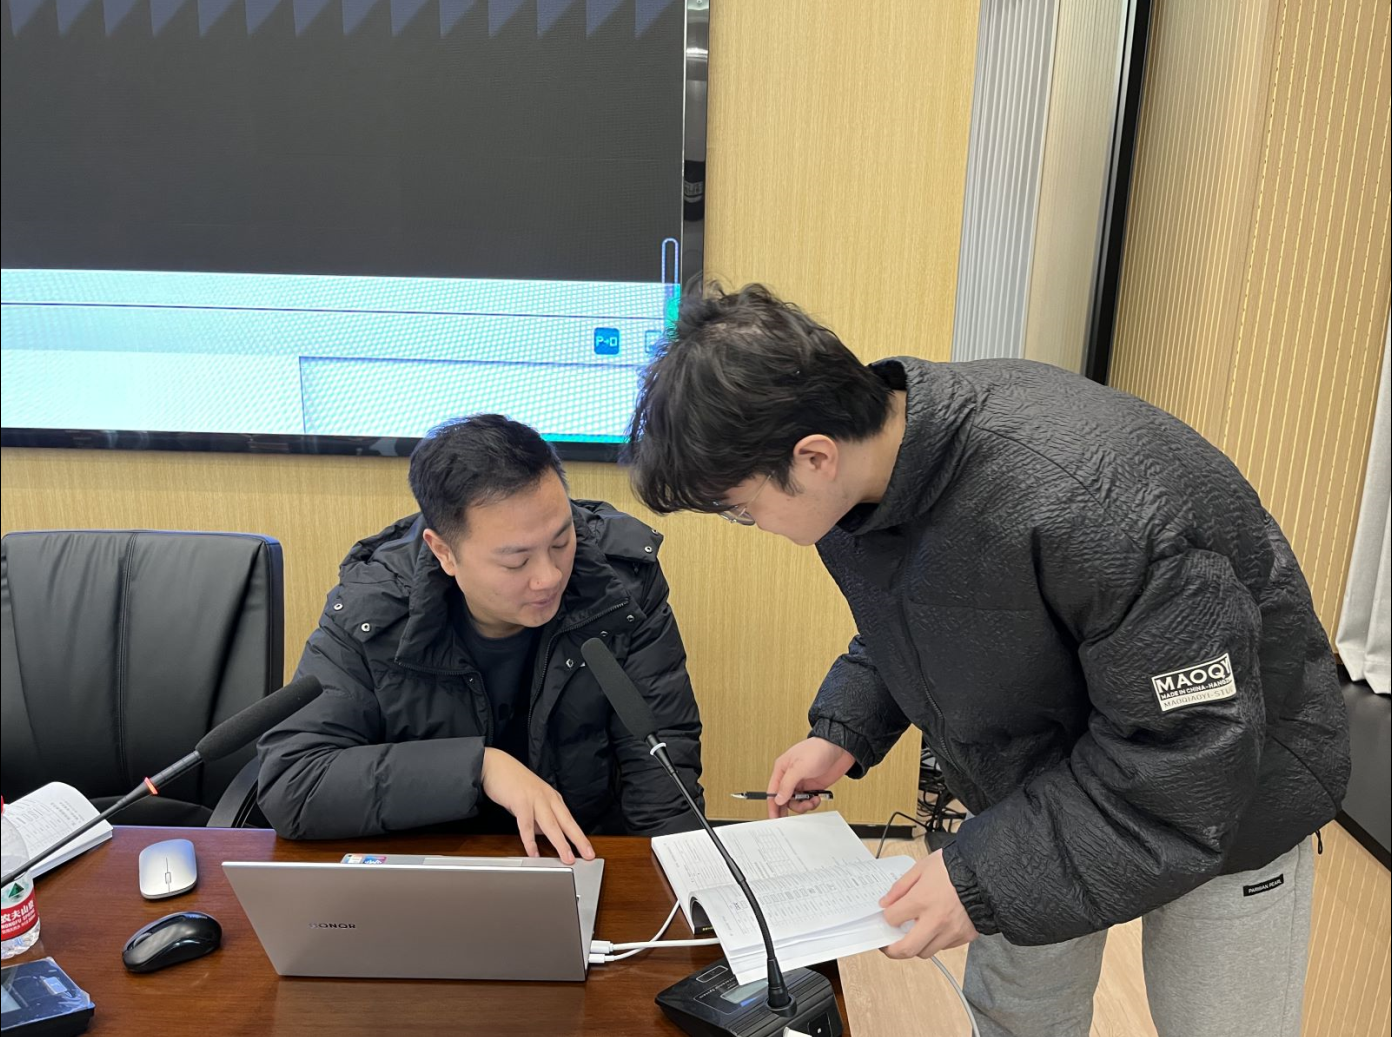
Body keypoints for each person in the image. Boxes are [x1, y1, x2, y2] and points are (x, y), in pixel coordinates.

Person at [623, 284, 1349, 1037]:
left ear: (814, 457)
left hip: (1230, 787)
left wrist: (982, 874)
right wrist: (844, 728)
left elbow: (1188, 755)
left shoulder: (1093, 506)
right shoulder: (867, 479)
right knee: (1013, 1014)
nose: (750, 524)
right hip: (1038, 784)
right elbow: (918, 620)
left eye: (742, 510)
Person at [258, 415, 704, 861]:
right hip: (428, 864)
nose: (549, 577)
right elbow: (295, 782)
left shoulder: (620, 584)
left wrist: (679, 885)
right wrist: (479, 767)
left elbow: (661, 776)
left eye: (561, 541)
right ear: (444, 552)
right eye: (516, 562)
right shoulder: (373, 611)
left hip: (578, 854)